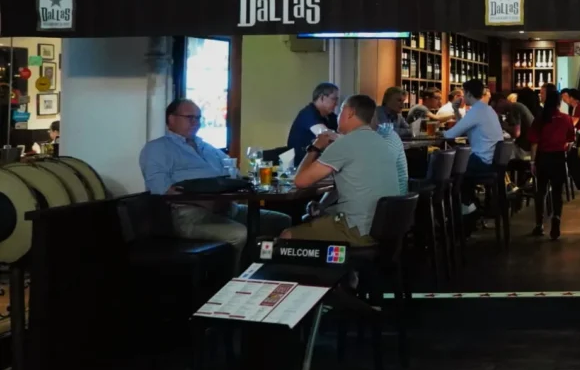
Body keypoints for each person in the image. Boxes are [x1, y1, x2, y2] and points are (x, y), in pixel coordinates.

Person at [140, 99, 291, 266]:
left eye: (198, 118)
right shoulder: (157, 148)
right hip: (187, 215)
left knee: (280, 220)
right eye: (190, 117)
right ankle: (235, 284)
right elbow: (160, 190)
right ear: (171, 119)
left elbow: (234, 175)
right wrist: (205, 201)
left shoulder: (207, 147)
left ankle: (265, 269)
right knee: (239, 233)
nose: (195, 122)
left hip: (228, 208)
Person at [286, 94, 401, 245]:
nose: (338, 116)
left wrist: (315, 147)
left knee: (286, 236)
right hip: (386, 228)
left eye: (341, 111)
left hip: (358, 231)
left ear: (350, 112)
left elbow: (300, 181)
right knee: (318, 219)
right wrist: (323, 206)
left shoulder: (345, 143)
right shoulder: (382, 142)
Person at [444, 79, 504, 209]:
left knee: (446, 167)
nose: (463, 97)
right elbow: (464, 128)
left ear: (469, 94)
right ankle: (469, 205)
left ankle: (464, 208)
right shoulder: (487, 109)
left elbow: (451, 134)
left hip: (482, 161)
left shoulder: (476, 111)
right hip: (492, 161)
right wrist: (456, 111)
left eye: (464, 94)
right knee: (457, 165)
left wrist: (436, 134)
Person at [528, 83, 576, 240]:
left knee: (540, 191)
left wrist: (532, 162)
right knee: (556, 192)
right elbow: (570, 140)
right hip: (558, 158)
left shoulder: (540, 119)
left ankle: (539, 224)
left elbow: (534, 143)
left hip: (543, 157)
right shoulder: (566, 119)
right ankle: (556, 218)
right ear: (558, 103)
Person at [286, 82, 340, 156]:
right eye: (334, 99)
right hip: (301, 163)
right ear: (322, 98)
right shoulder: (308, 114)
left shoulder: (330, 116)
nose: (336, 103)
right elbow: (326, 135)